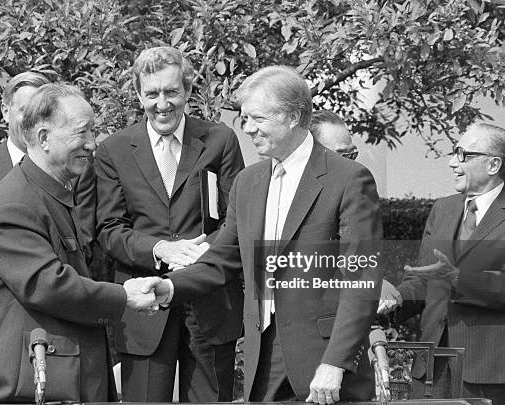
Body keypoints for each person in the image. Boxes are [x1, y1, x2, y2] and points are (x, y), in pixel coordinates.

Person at [130, 66, 383, 404]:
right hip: (262, 360)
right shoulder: (248, 183)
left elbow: (361, 277)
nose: (247, 129)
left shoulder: (349, 180)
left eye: (257, 119)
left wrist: (336, 360)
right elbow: (221, 259)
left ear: (292, 116)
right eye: (245, 118)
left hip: (325, 365)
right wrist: (170, 287)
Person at [0, 84, 155, 403]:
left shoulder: (49, 194)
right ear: (43, 138)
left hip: (62, 382)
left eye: (93, 131)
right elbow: (48, 285)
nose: (92, 144)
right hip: (30, 388)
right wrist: (125, 295)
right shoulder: (13, 205)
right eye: (82, 133)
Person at [95, 46, 245, 402]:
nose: (162, 103)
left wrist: (200, 254)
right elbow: (109, 229)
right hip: (144, 302)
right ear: (138, 95)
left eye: (171, 92)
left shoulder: (219, 140)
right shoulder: (113, 150)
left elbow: (235, 219)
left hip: (209, 302)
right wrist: (160, 249)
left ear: (188, 91)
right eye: (152, 94)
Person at [0, 71, 95, 396]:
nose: (91, 143)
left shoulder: (68, 171)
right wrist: (14, 257)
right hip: (4, 331)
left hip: (60, 336)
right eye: (26, 108)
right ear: (8, 110)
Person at [380, 122, 505, 403]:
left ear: (493, 164)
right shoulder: (443, 209)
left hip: (490, 373)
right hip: (432, 367)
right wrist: (396, 297)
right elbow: (424, 280)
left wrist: (458, 277)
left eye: (462, 154)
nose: (452, 163)